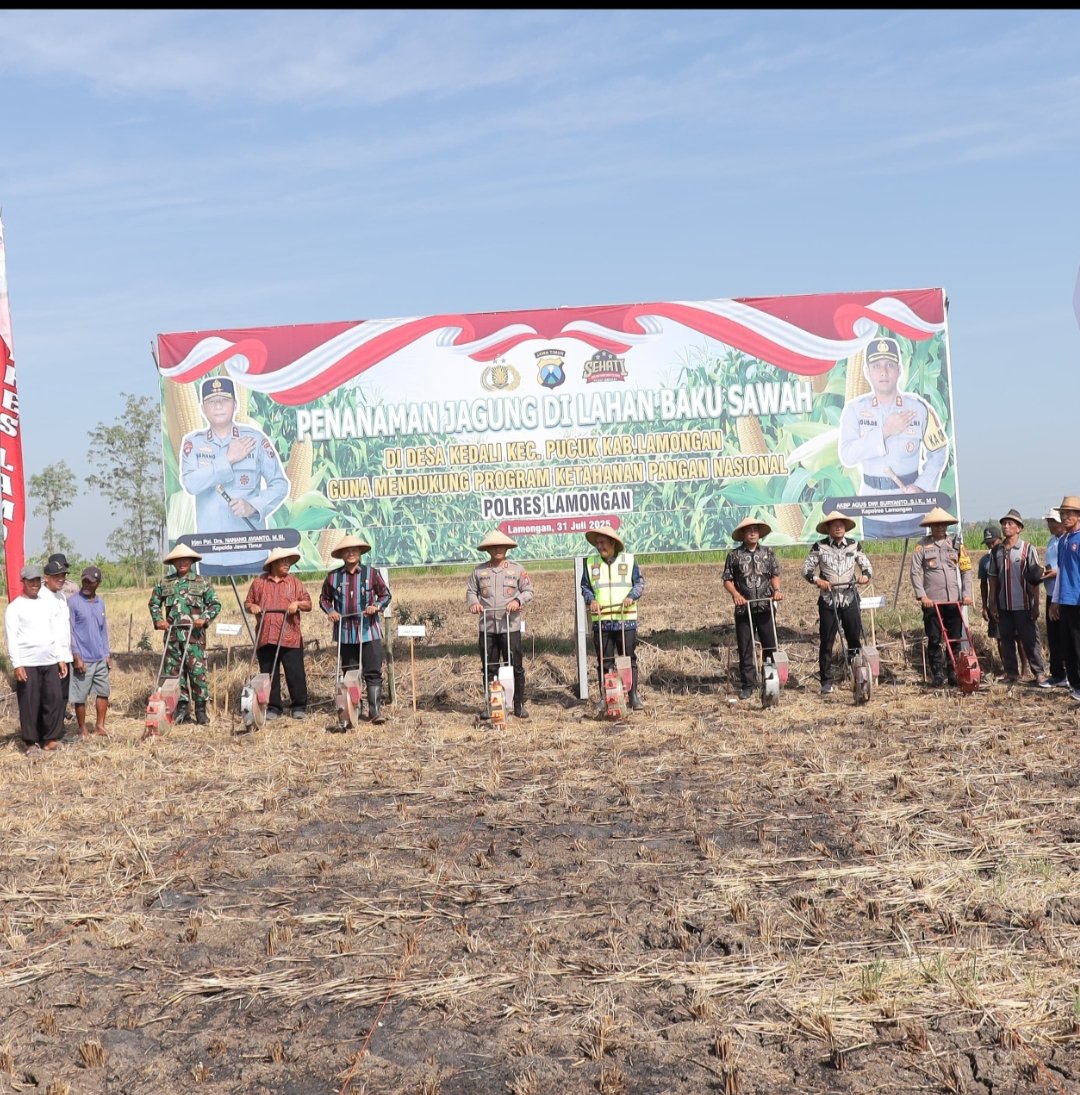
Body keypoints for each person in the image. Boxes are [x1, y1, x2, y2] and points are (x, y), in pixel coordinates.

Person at [838, 336, 949, 538]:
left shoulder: (918, 408)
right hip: (873, 509)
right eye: (876, 365)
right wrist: (884, 432)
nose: (884, 371)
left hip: (911, 509)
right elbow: (847, 455)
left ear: (899, 370)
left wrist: (922, 486)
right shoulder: (854, 410)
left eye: (890, 365)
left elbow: (939, 452)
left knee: (916, 567)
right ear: (866, 372)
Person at [179, 376, 290, 575]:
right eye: (212, 401)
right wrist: (228, 459)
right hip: (211, 552)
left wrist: (253, 506)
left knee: (257, 605)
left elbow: (280, 484)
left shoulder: (254, 439)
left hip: (251, 551)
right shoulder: (193, 443)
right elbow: (191, 484)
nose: (218, 405)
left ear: (235, 405)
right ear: (203, 408)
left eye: (224, 400)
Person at [319, 534, 392, 724]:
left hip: (369, 631)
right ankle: (352, 708)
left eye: (354, 550)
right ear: (342, 554)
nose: (351, 553)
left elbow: (385, 595)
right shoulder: (333, 577)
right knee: (350, 673)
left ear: (360, 553)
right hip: (345, 633)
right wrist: (331, 611)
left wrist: (376, 606)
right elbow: (324, 599)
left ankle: (375, 711)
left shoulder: (372, 574)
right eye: (347, 551)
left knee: (373, 671)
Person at [148, 544, 222, 725]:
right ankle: (182, 710)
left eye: (185, 559)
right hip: (172, 637)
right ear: (173, 562)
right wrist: (158, 620)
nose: (182, 562)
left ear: (191, 561)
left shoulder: (201, 582)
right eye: (178, 560)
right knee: (175, 674)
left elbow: (215, 604)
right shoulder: (164, 583)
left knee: (197, 673)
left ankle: (201, 711)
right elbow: (154, 604)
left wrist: (204, 618)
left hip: (195, 637)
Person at [802, 510, 873, 694]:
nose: (838, 527)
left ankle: (856, 674)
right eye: (834, 524)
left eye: (841, 524)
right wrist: (818, 581)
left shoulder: (854, 545)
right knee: (827, 641)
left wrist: (865, 576)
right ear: (828, 528)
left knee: (854, 639)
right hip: (828, 600)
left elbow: (867, 566)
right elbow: (806, 570)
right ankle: (826, 680)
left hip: (849, 598)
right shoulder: (820, 546)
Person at [466, 530, 534, 719]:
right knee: (489, 667)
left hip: (510, 627)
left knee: (515, 666)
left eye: (501, 546)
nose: (497, 549)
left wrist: (517, 601)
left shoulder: (517, 569)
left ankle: (518, 704)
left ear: (506, 548)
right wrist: (474, 603)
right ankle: (491, 705)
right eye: (493, 546)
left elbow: (528, 591)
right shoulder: (479, 571)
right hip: (487, 628)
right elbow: (471, 592)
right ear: (488, 549)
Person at [4, 564, 69, 753]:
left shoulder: (46, 604)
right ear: (23, 581)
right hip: (28, 662)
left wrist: (60, 658)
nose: (34, 584)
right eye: (30, 580)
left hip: (49, 660)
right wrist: (17, 664)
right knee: (30, 703)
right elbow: (12, 638)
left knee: (53, 699)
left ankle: (50, 739)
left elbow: (55, 632)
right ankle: (31, 742)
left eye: (37, 580)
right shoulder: (15, 607)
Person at [580, 524, 644, 710]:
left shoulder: (629, 560)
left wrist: (631, 596)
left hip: (625, 619)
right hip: (602, 621)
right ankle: (606, 696)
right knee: (604, 661)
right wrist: (591, 600)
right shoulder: (591, 563)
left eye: (603, 543)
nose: (599, 547)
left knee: (627, 659)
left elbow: (639, 583)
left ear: (613, 543)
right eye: (597, 543)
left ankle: (632, 696)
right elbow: (585, 587)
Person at [245, 547, 312, 721]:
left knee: (295, 672)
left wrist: (297, 603)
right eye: (283, 561)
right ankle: (274, 707)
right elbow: (248, 602)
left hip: (290, 635)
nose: (287, 564)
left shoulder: (295, 582)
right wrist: (252, 607)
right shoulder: (259, 582)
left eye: (288, 561)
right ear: (273, 564)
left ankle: (298, 706)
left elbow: (308, 604)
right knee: (268, 673)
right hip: (266, 635)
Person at [909, 506, 972, 687]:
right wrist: (922, 597)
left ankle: (953, 671)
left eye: (942, 525)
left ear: (946, 526)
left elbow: (966, 570)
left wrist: (966, 594)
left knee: (955, 638)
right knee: (935, 638)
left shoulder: (956, 545)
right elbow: (914, 573)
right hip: (932, 602)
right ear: (930, 527)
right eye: (935, 525)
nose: (939, 528)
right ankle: (937, 673)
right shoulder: (921, 546)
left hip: (953, 600)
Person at [722, 516, 783, 700]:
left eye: (755, 530)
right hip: (744, 609)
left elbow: (775, 574)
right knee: (746, 647)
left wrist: (777, 590)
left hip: (765, 606)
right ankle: (748, 684)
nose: (753, 533)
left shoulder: (768, 553)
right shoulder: (734, 555)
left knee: (770, 645)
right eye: (749, 530)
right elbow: (727, 580)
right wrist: (736, 595)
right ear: (743, 534)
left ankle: (770, 680)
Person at [987, 508, 1049, 687]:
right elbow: (993, 579)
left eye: (1010, 524)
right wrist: (992, 603)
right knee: (1006, 641)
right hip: (1004, 606)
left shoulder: (1027, 549)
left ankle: (1039, 673)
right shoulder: (997, 551)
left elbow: (1035, 579)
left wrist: (1036, 605)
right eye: (1004, 524)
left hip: (1023, 605)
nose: (1006, 527)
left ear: (1019, 528)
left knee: (1030, 641)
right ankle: (1011, 673)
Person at [67, 566, 112, 737]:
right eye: (84, 580)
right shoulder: (73, 602)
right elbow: (69, 631)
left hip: (100, 657)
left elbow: (103, 630)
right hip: (83, 659)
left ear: (98, 584)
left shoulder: (100, 602)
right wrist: (76, 655)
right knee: (80, 696)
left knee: (103, 692)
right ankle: (83, 729)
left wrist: (106, 654)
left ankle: (100, 726)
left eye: (90, 582)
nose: (86, 584)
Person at [1049, 495, 1080, 702]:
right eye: (1062, 514)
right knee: (1067, 645)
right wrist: (1055, 600)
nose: (1064, 517)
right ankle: (1075, 685)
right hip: (1066, 600)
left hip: (1078, 600)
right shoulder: (1063, 541)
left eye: (1069, 513)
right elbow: (1061, 573)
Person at [42, 556, 75, 721]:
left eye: (63, 576)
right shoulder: (41, 598)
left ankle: (58, 730)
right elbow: (47, 632)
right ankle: (49, 733)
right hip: (51, 658)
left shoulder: (61, 596)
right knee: (50, 697)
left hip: (65, 655)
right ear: (46, 578)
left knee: (63, 695)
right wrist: (58, 658)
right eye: (56, 577)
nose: (61, 579)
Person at [1041, 507, 1068, 687]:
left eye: (1052, 521)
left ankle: (1070, 674)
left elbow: (1069, 568)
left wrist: (1055, 573)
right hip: (1051, 594)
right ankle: (1057, 673)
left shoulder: (1069, 540)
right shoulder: (1051, 541)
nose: (1050, 524)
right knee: (1053, 635)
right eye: (1048, 521)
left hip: (1067, 596)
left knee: (1067, 635)